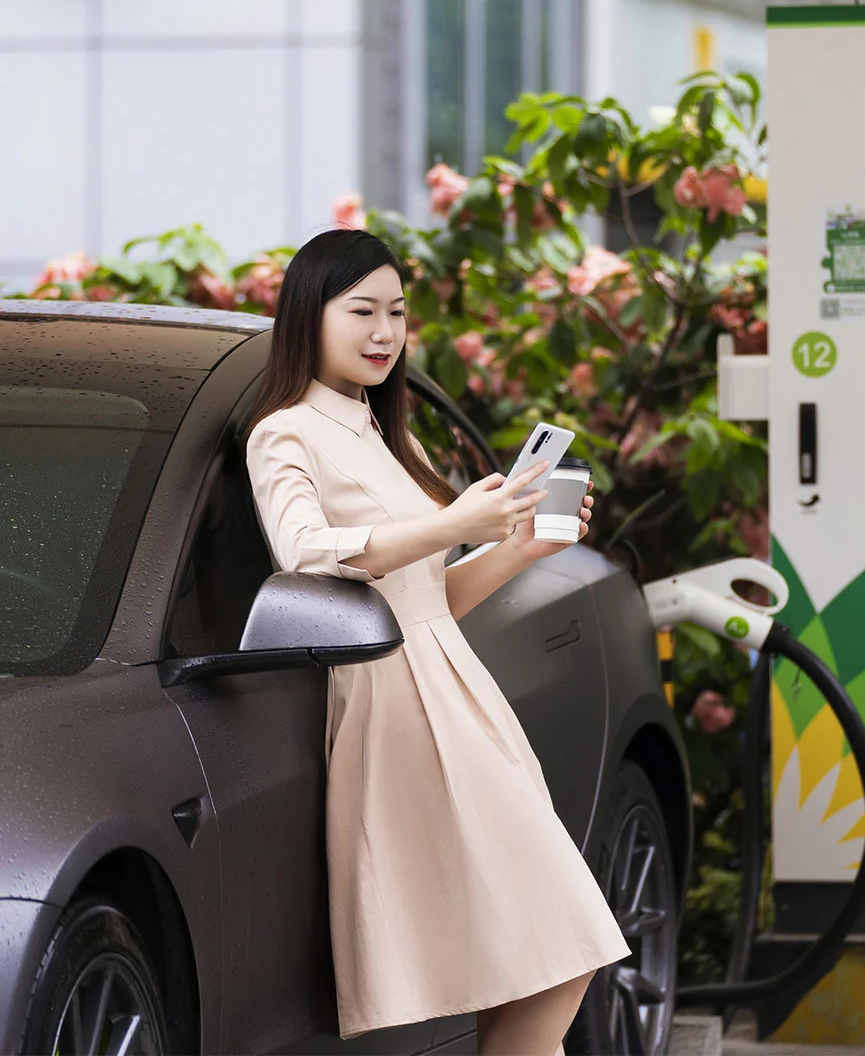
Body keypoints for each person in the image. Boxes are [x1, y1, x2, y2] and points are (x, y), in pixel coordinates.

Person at [241, 229, 631, 1056]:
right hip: (391, 698)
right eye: (361, 312)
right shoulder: (284, 432)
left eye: (396, 313)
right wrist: (454, 520)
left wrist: (520, 544)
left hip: (447, 685)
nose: (384, 332)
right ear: (309, 315)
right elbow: (304, 551)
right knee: (557, 942)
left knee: (535, 952)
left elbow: (431, 598)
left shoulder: (388, 434)